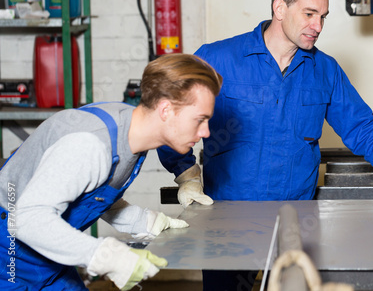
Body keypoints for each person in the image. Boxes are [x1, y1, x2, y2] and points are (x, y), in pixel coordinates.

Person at [157, 0, 373, 291]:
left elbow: (361, 126)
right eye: (309, 14)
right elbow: (170, 118)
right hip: (225, 224)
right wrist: (187, 175)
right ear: (280, 9)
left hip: (294, 225)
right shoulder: (218, 60)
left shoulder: (324, 70)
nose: (318, 27)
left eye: (323, 17)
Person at [0, 54, 222, 290]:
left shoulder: (130, 131)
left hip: (47, 255)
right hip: (10, 257)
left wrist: (143, 221)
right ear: (166, 110)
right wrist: (107, 257)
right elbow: (28, 219)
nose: (206, 132)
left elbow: (87, 192)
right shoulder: (90, 145)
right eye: (200, 119)